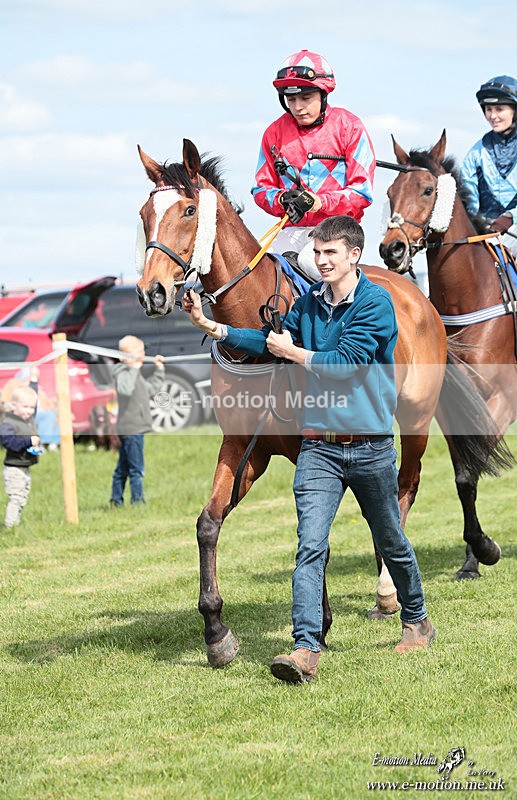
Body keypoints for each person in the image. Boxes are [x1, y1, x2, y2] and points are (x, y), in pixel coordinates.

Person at [183, 215, 435, 682]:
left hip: (370, 447)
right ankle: (305, 649)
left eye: (330, 253)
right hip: (318, 448)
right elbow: (266, 342)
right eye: (317, 253)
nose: (320, 261)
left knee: (392, 542)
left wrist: (292, 353)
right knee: (309, 547)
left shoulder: (377, 305)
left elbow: (346, 365)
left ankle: (417, 620)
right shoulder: (308, 306)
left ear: (354, 256)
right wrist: (214, 328)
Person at [252, 49, 376, 281]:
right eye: (291, 99)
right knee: (254, 267)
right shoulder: (273, 133)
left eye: (306, 98)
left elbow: (362, 191)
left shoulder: (350, 126)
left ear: (323, 95)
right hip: (291, 229)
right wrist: (281, 199)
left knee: (312, 261)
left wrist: (320, 202)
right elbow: (260, 189)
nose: (298, 107)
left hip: (340, 228)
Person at [461, 75, 517, 259]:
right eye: (489, 109)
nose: (493, 116)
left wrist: (510, 216)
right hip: (487, 232)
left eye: (499, 109)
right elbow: (468, 199)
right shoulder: (475, 153)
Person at [110, 335, 165, 507]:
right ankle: (138, 502)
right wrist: (133, 369)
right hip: (131, 429)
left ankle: (116, 501)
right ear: (123, 358)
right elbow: (125, 390)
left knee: (123, 468)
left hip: (136, 428)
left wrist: (159, 370)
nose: (141, 358)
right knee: (136, 470)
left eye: (142, 354)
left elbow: (151, 389)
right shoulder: (122, 372)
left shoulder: (135, 374)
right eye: (137, 355)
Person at [0, 377, 41, 529]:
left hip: (24, 467)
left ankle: (15, 523)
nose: (29, 411)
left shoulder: (28, 418)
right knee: (16, 497)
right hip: (14, 468)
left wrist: (34, 379)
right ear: (14, 406)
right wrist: (28, 442)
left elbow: (33, 395)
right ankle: (9, 526)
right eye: (25, 407)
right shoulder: (8, 423)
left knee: (23, 497)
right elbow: (10, 443)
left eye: (32, 408)